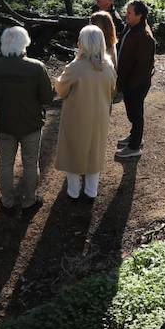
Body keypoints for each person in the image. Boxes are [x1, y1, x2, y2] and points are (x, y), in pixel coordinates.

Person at [0, 26, 54, 212]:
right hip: (31, 124)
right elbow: (47, 98)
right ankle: (29, 201)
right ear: (25, 43)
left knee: (6, 163)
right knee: (31, 162)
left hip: (3, 124)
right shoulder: (36, 67)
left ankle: (7, 201)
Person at [54, 25, 117, 201]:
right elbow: (112, 89)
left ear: (83, 44)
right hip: (100, 116)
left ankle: (73, 192)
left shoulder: (75, 67)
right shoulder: (108, 66)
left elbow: (60, 89)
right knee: (94, 151)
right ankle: (91, 191)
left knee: (73, 150)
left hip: (76, 117)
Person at [115, 0, 155, 159]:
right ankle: (134, 136)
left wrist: (129, 85)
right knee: (132, 112)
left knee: (136, 114)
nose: (127, 15)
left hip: (136, 84)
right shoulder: (130, 27)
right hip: (128, 82)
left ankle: (134, 146)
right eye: (127, 12)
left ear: (140, 15)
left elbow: (142, 67)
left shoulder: (144, 36)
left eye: (130, 13)